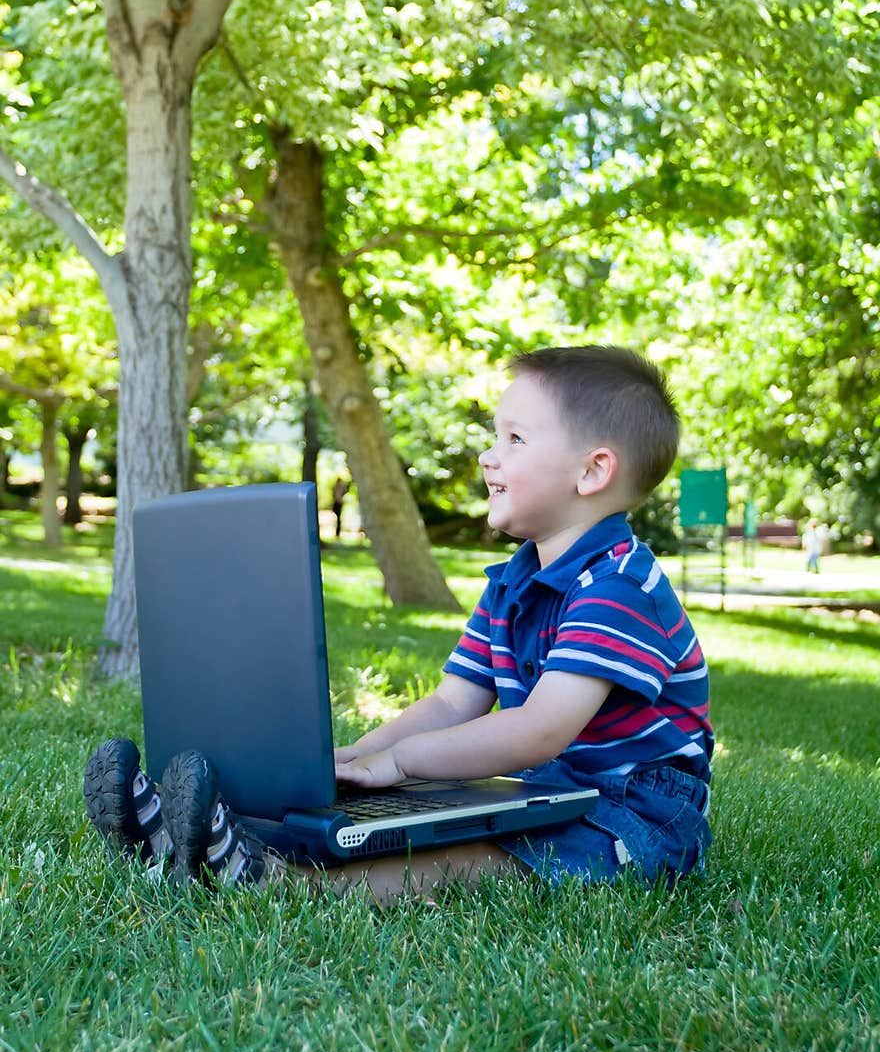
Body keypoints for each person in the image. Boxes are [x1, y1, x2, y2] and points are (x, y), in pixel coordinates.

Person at [83, 345, 713, 906]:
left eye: (514, 440)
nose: (488, 455)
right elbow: (451, 703)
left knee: (486, 858)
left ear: (592, 472)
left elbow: (539, 730)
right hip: (545, 788)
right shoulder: (513, 581)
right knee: (369, 801)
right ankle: (187, 833)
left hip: (637, 811)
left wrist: (402, 762)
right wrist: (356, 757)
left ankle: (281, 884)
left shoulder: (619, 587)